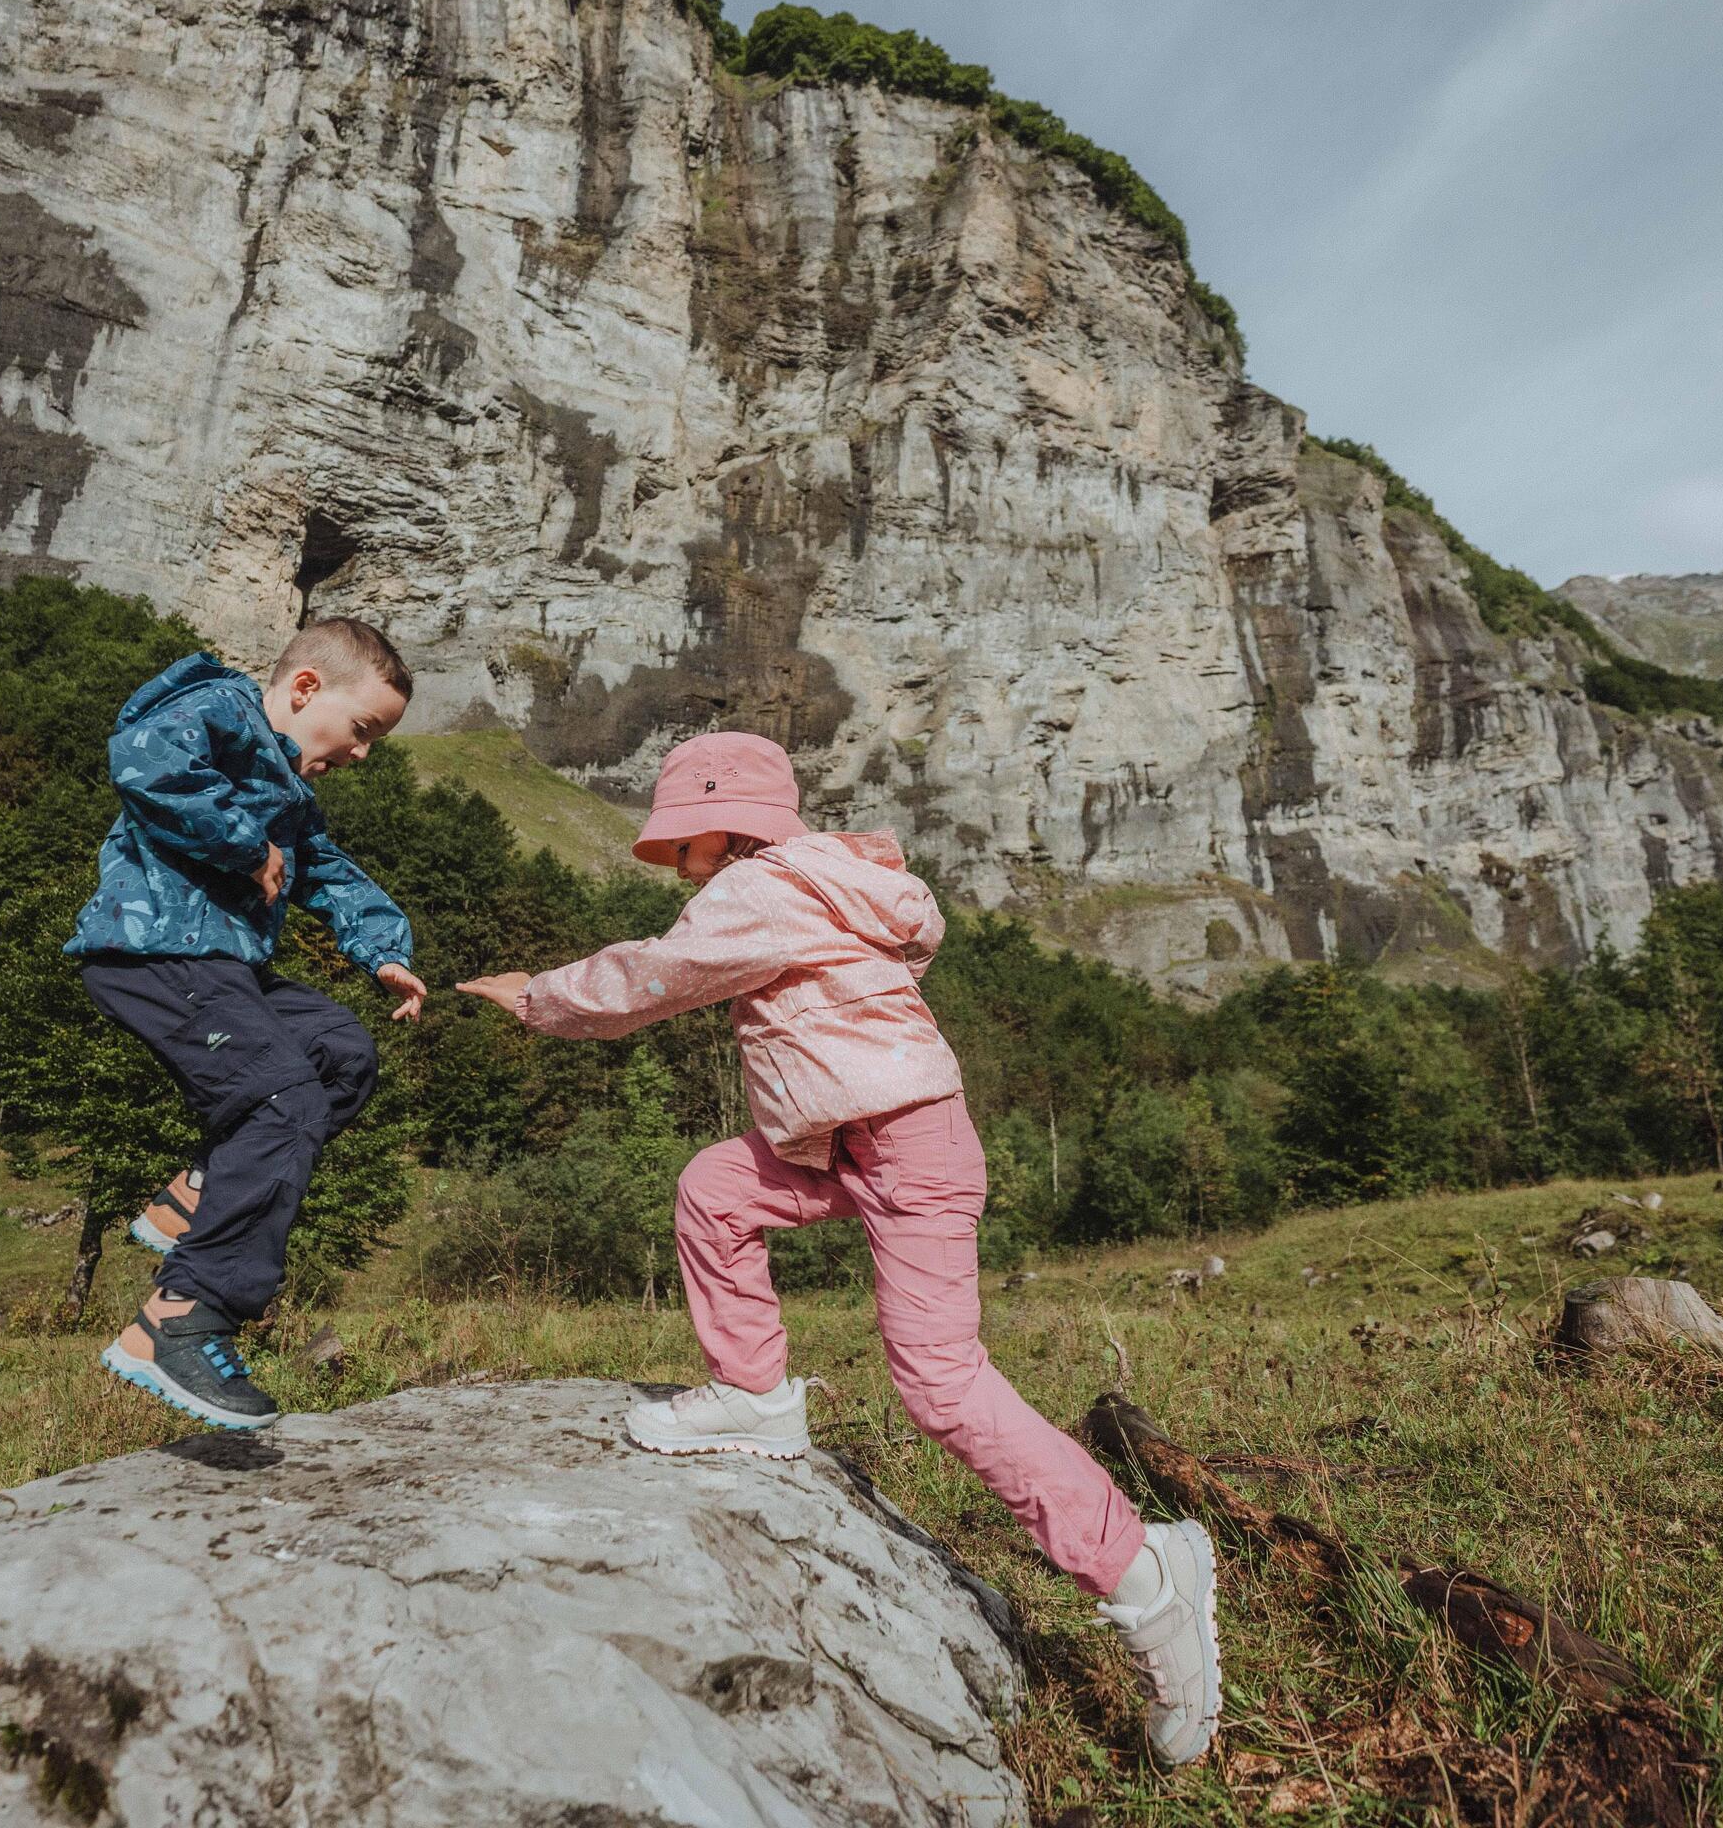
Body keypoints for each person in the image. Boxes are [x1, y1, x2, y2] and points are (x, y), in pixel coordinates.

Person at [455, 731, 1223, 1765]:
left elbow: (657, 973)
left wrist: (537, 994)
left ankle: (1148, 1576)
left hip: (906, 1143)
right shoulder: (836, 882)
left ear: (724, 822)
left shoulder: (763, 885)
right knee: (715, 1185)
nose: (673, 857)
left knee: (942, 1385)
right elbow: (896, 954)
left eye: (680, 835)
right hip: (856, 1139)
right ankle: (754, 1392)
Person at [66, 619, 427, 1431]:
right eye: (363, 729)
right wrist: (242, 841)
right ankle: (182, 1320)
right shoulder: (223, 709)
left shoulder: (291, 794)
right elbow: (144, 758)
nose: (364, 753)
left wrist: (383, 951)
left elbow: (328, 873)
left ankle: (194, 1196)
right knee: (282, 1104)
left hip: (225, 967)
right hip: (152, 952)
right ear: (304, 690)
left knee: (342, 1054)